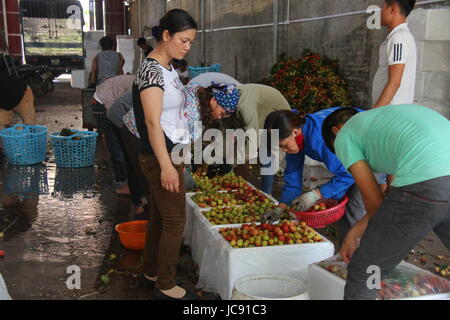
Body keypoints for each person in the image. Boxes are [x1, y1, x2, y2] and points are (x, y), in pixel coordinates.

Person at [321, 105, 450, 300]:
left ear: (335, 132)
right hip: (434, 175)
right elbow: (390, 199)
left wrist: (358, 239)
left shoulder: (344, 136)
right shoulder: (382, 121)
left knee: (365, 269)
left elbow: (375, 204)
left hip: (426, 182)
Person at [132, 9, 198, 300]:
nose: (187, 46)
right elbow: (151, 122)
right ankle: (165, 284)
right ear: (166, 35)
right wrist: (167, 166)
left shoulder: (168, 67)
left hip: (172, 153)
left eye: (191, 42)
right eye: (183, 40)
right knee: (175, 222)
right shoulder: (150, 70)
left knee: (160, 217)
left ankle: (149, 271)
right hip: (161, 156)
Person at [260, 108, 385, 239]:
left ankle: (356, 253)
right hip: (350, 157)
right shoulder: (295, 137)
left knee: (355, 209)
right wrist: (281, 208)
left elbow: (348, 174)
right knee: (348, 205)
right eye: (281, 147)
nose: (284, 150)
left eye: (284, 145)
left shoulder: (320, 139)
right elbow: (293, 180)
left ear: (295, 132)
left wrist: (316, 194)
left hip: (371, 148)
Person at [197, 83, 291, 194]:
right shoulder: (228, 105)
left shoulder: (245, 105)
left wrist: (231, 164)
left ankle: (266, 195)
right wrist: (213, 158)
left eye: (221, 114)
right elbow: (227, 136)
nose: (219, 117)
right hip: (259, 115)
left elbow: (252, 141)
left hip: (278, 114)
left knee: (267, 156)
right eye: (221, 115)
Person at [91, 74, 135, 195]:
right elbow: (115, 113)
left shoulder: (144, 84)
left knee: (121, 146)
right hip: (102, 103)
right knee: (117, 148)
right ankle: (121, 185)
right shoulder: (142, 87)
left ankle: (126, 180)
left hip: (110, 100)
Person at [107, 91, 149, 219]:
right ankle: (139, 206)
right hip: (120, 117)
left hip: (130, 117)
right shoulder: (155, 92)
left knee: (137, 162)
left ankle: (142, 201)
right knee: (134, 162)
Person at [372, 0, 417, 108]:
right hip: (388, 111)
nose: (380, 12)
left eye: (383, 7)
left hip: (389, 111)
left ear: (393, 9)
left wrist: (373, 114)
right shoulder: (399, 36)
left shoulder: (399, 38)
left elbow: (394, 82)